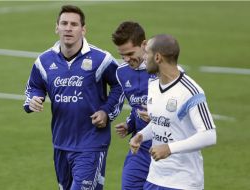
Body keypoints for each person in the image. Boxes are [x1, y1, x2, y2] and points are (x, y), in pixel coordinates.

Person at [23, 5, 124, 190]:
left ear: (83, 29)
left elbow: (120, 85)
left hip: (91, 143)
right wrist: (33, 99)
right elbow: (34, 86)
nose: (68, 28)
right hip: (61, 143)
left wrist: (106, 111)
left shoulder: (101, 59)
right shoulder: (44, 61)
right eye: (64, 23)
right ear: (57, 27)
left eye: (74, 24)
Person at [130, 34, 217, 190]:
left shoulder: (190, 91)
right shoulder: (154, 86)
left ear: (157, 57)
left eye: (147, 53)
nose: (143, 57)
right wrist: (142, 135)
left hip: (183, 182)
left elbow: (209, 134)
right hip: (155, 178)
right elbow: (161, 122)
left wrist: (170, 148)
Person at [112, 21, 157, 190]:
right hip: (139, 148)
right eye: (122, 54)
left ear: (144, 45)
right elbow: (135, 105)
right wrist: (130, 124)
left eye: (130, 53)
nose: (126, 59)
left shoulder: (165, 70)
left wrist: (156, 116)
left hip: (166, 149)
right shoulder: (121, 72)